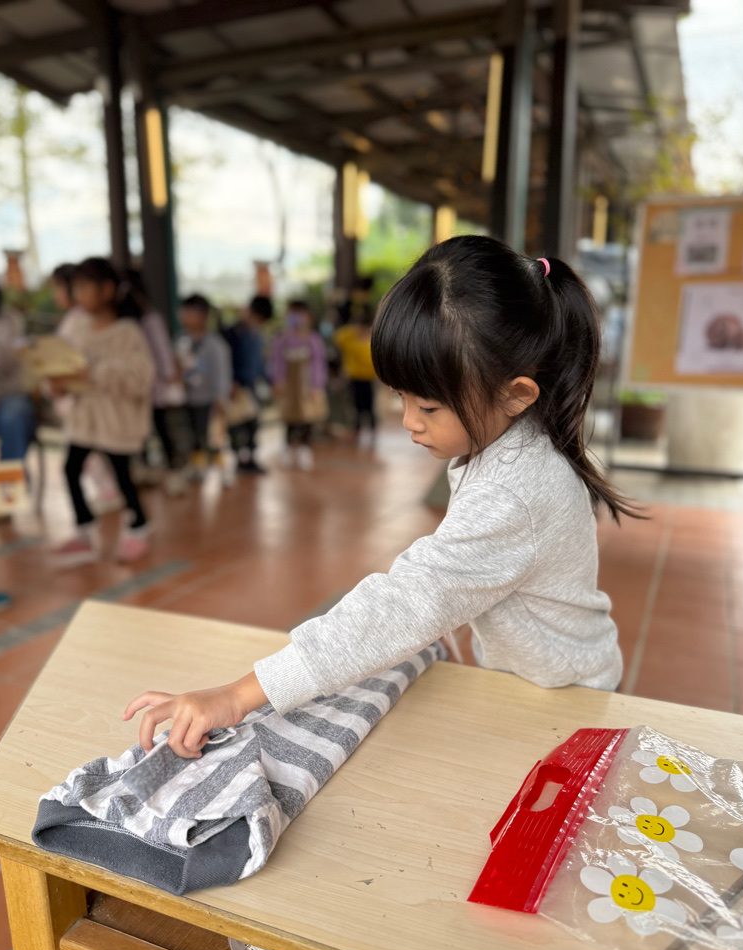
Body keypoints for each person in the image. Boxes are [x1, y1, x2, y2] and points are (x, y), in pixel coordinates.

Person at [125, 236, 637, 759]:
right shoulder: (514, 442)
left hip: (567, 700)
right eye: (399, 396)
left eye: (429, 407)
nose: (409, 421)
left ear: (516, 394)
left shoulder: (513, 490)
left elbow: (406, 602)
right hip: (536, 681)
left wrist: (237, 696)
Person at [50, 258, 154, 566]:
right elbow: (67, 365)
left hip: (116, 421)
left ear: (107, 289)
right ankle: (83, 530)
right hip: (84, 419)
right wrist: (59, 384)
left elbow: (140, 378)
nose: (78, 295)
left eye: (84, 287)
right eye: (75, 288)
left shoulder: (128, 332)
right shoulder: (77, 328)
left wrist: (96, 372)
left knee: (122, 477)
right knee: (70, 469)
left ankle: (138, 527)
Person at [0, 265, 34, 611]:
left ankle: (5, 493)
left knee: (14, 417)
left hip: (8, 394)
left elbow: (12, 361)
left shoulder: (9, 320)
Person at [125, 270, 188, 497]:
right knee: (145, 432)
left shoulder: (147, 318)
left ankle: (171, 472)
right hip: (136, 388)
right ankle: (146, 471)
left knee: (160, 430)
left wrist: (169, 375)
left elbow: (161, 351)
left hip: (151, 388)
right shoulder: (135, 318)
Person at [176, 294, 231, 477]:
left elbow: (222, 372)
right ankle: (197, 467)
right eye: (184, 313)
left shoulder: (215, 344)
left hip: (209, 400)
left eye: (190, 313)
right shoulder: (180, 340)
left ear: (203, 316)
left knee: (213, 436)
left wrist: (220, 397)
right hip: (187, 398)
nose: (185, 317)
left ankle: (220, 468)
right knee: (193, 436)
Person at [270, 300, 328, 471]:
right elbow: (276, 361)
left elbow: (318, 363)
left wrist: (317, 385)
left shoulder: (313, 339)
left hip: (307, 385)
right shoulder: (282, 338)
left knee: (307, 417)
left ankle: (305, 448)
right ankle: (288, 447)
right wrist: (277, 379)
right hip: (289, 386)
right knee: (289, 416)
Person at [221, 295, 273, 473]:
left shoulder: (256, 334)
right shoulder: (233, 333)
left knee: (253, 423)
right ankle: (239, 458)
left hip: (250, 386)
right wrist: (231, 382)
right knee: (236, 423)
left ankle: (250, 457)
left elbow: (258, 362)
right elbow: (227, 360)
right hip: (235, 387)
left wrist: (268, 380)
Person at [334, 306, 377, 439]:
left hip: (368, 379)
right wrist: (353, 330)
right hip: (353, 377)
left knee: (369, 405)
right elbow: (338, 337)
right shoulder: (350, 338)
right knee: (355, 405)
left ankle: (372, 428)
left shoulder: (371, 342)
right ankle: (357, 428)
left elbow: (370, 361)